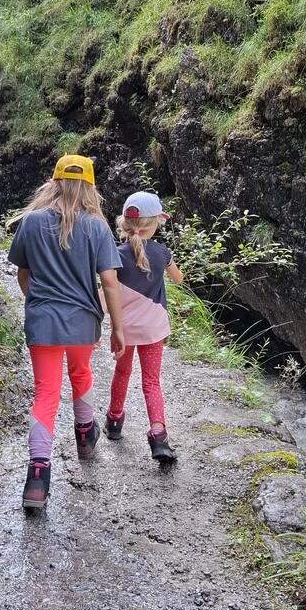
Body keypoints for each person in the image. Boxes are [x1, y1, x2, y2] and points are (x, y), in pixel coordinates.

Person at [8, 155, 125, 511]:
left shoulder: (31, 222)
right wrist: (117, 328)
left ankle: (37, 478)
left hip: (42, 321)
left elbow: (23, 276)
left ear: (54, 181)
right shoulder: (97, 227)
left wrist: (39, 306)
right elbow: (109, 282)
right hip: (82, 322)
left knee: (45, 393)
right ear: (90, 187)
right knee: (81, 372)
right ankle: (85, 435)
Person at [105, 190, 183, 463]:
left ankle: (115, 421)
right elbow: (178, 279)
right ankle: (158, 434)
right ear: (156, 223)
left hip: (124, 329)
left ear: (124, 223)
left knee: (122, 373)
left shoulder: (115, 255)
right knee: (151, 381)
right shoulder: (162, 253)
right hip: (153, 330)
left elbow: (108, 290)